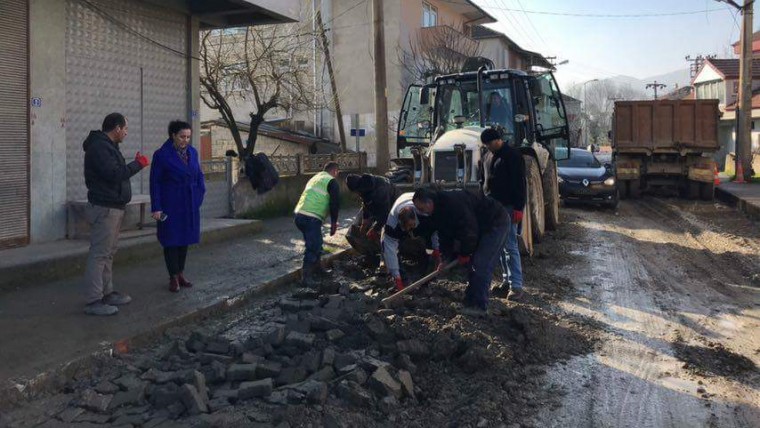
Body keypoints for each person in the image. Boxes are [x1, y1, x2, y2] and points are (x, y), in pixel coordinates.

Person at [82, 113, 149, 316]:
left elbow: (116, 171)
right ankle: (94, 300)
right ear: (117, 128)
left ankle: (107, 292)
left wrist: (134, 164)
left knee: (108, 253)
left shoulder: (108, 146)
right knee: (100, 254)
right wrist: (138, 164)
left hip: (113, 206)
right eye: (125, 129)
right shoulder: (100, 148)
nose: (126, 133)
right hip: (105, 208)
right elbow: (114, 174)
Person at [413, 188, 509, 316]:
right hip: (479, 227)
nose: (420, 212)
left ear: (429, 203)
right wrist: (445, 258)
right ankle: (470, 300)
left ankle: (479, 306)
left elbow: (469, 231)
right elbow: (444, 236)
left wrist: (464, 253)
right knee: (474, 263)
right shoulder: (436, 213)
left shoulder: (453, 204)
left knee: (481, 263)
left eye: (421, 209)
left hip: (495, 222)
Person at [150, 120, 206, 292]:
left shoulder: (193, 153)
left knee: (185, 240)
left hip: (189, 203)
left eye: (188, 137)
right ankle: (173, 276)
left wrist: (198, 196)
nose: (185, 140)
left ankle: (181, 273)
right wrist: (156, 207)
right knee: (171, 241)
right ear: (173, 135)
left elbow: (199, 176)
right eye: (182, 136)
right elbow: (155, 182)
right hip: (171, 203)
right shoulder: (161, 155)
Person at [478, 128, 526, 301]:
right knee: (500, 245)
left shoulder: (512, 156)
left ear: (498, 140)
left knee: (511, 245)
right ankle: (506, 281)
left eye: (490, 143)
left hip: (508, 207)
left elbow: (519, 184)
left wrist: (519, 208)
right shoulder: (487, 156)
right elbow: (483, 180)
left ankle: (517, 286)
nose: (489, 147)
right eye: (486, 145)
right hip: (492, 207)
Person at [381, 192, 440, 291]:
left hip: (413, 204)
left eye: (411, 226)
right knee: (389, 249)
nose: (409, 228)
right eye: (406, 227)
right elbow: (389, 249)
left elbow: (436, 231)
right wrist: (397, 277)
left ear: (415, 218)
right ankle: (403, 280)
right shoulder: (392, 224)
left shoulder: (426, 213)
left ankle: (426, 280)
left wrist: (437, 250)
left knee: (428, 250)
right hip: (402, 203)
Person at [294, 162, 340, 286]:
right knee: (313, 246)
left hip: (299, 215)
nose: (337, 175)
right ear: (335, 171)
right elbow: (334, 203)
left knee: (317, 243)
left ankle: (318, 269)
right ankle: (306, 277)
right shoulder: (331, 181)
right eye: (338, 172)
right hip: (311, 217)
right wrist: (334, 222)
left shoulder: (315, 178)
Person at [345, 173, 400, 257]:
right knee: (359, 224)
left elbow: (385, 214)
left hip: (393, 204)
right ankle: (369, 249)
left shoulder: (380, 189)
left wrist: (375, 228)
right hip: (380, 204)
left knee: (386, 230)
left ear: (357, 189)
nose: (356, 194)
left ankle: (386, 253)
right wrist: (365, 221)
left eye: (356, 192)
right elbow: (366, 204)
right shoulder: (363, 185)